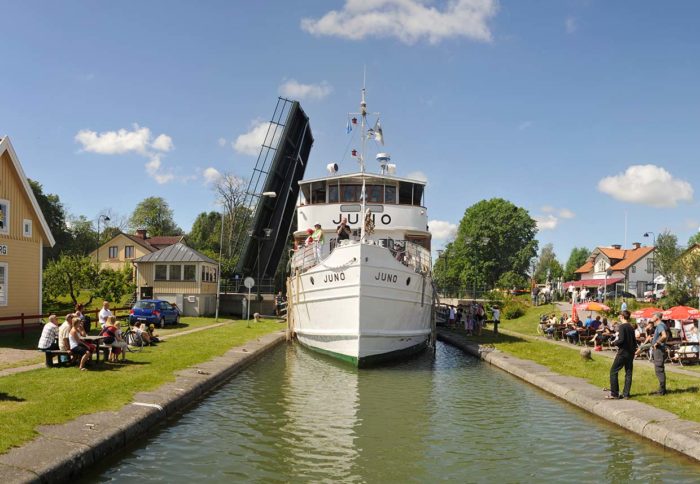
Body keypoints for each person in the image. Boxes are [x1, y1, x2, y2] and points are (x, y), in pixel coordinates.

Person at [607, 310, 635, 399]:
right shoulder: (631, 327)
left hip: (623, 352)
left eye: (619, 315)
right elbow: (634, 341)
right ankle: (626, 394)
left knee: (613, 371)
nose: (619, 317)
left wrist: (613, 343)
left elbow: (621, 340)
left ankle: (614, 393)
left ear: (622, 316)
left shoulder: (622, 326)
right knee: (628, 373)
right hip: (630, 353)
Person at [650, 312, 669, 396]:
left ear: (657, 318)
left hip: (659, 350)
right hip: (659, 350)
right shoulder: (661, 325)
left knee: (659, 370)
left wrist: (657, 342)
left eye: (653, 315)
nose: (651, 317)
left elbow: (664, 336)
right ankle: (662, 389)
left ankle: (662, 391)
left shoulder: (660, 325)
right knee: (660, 369)